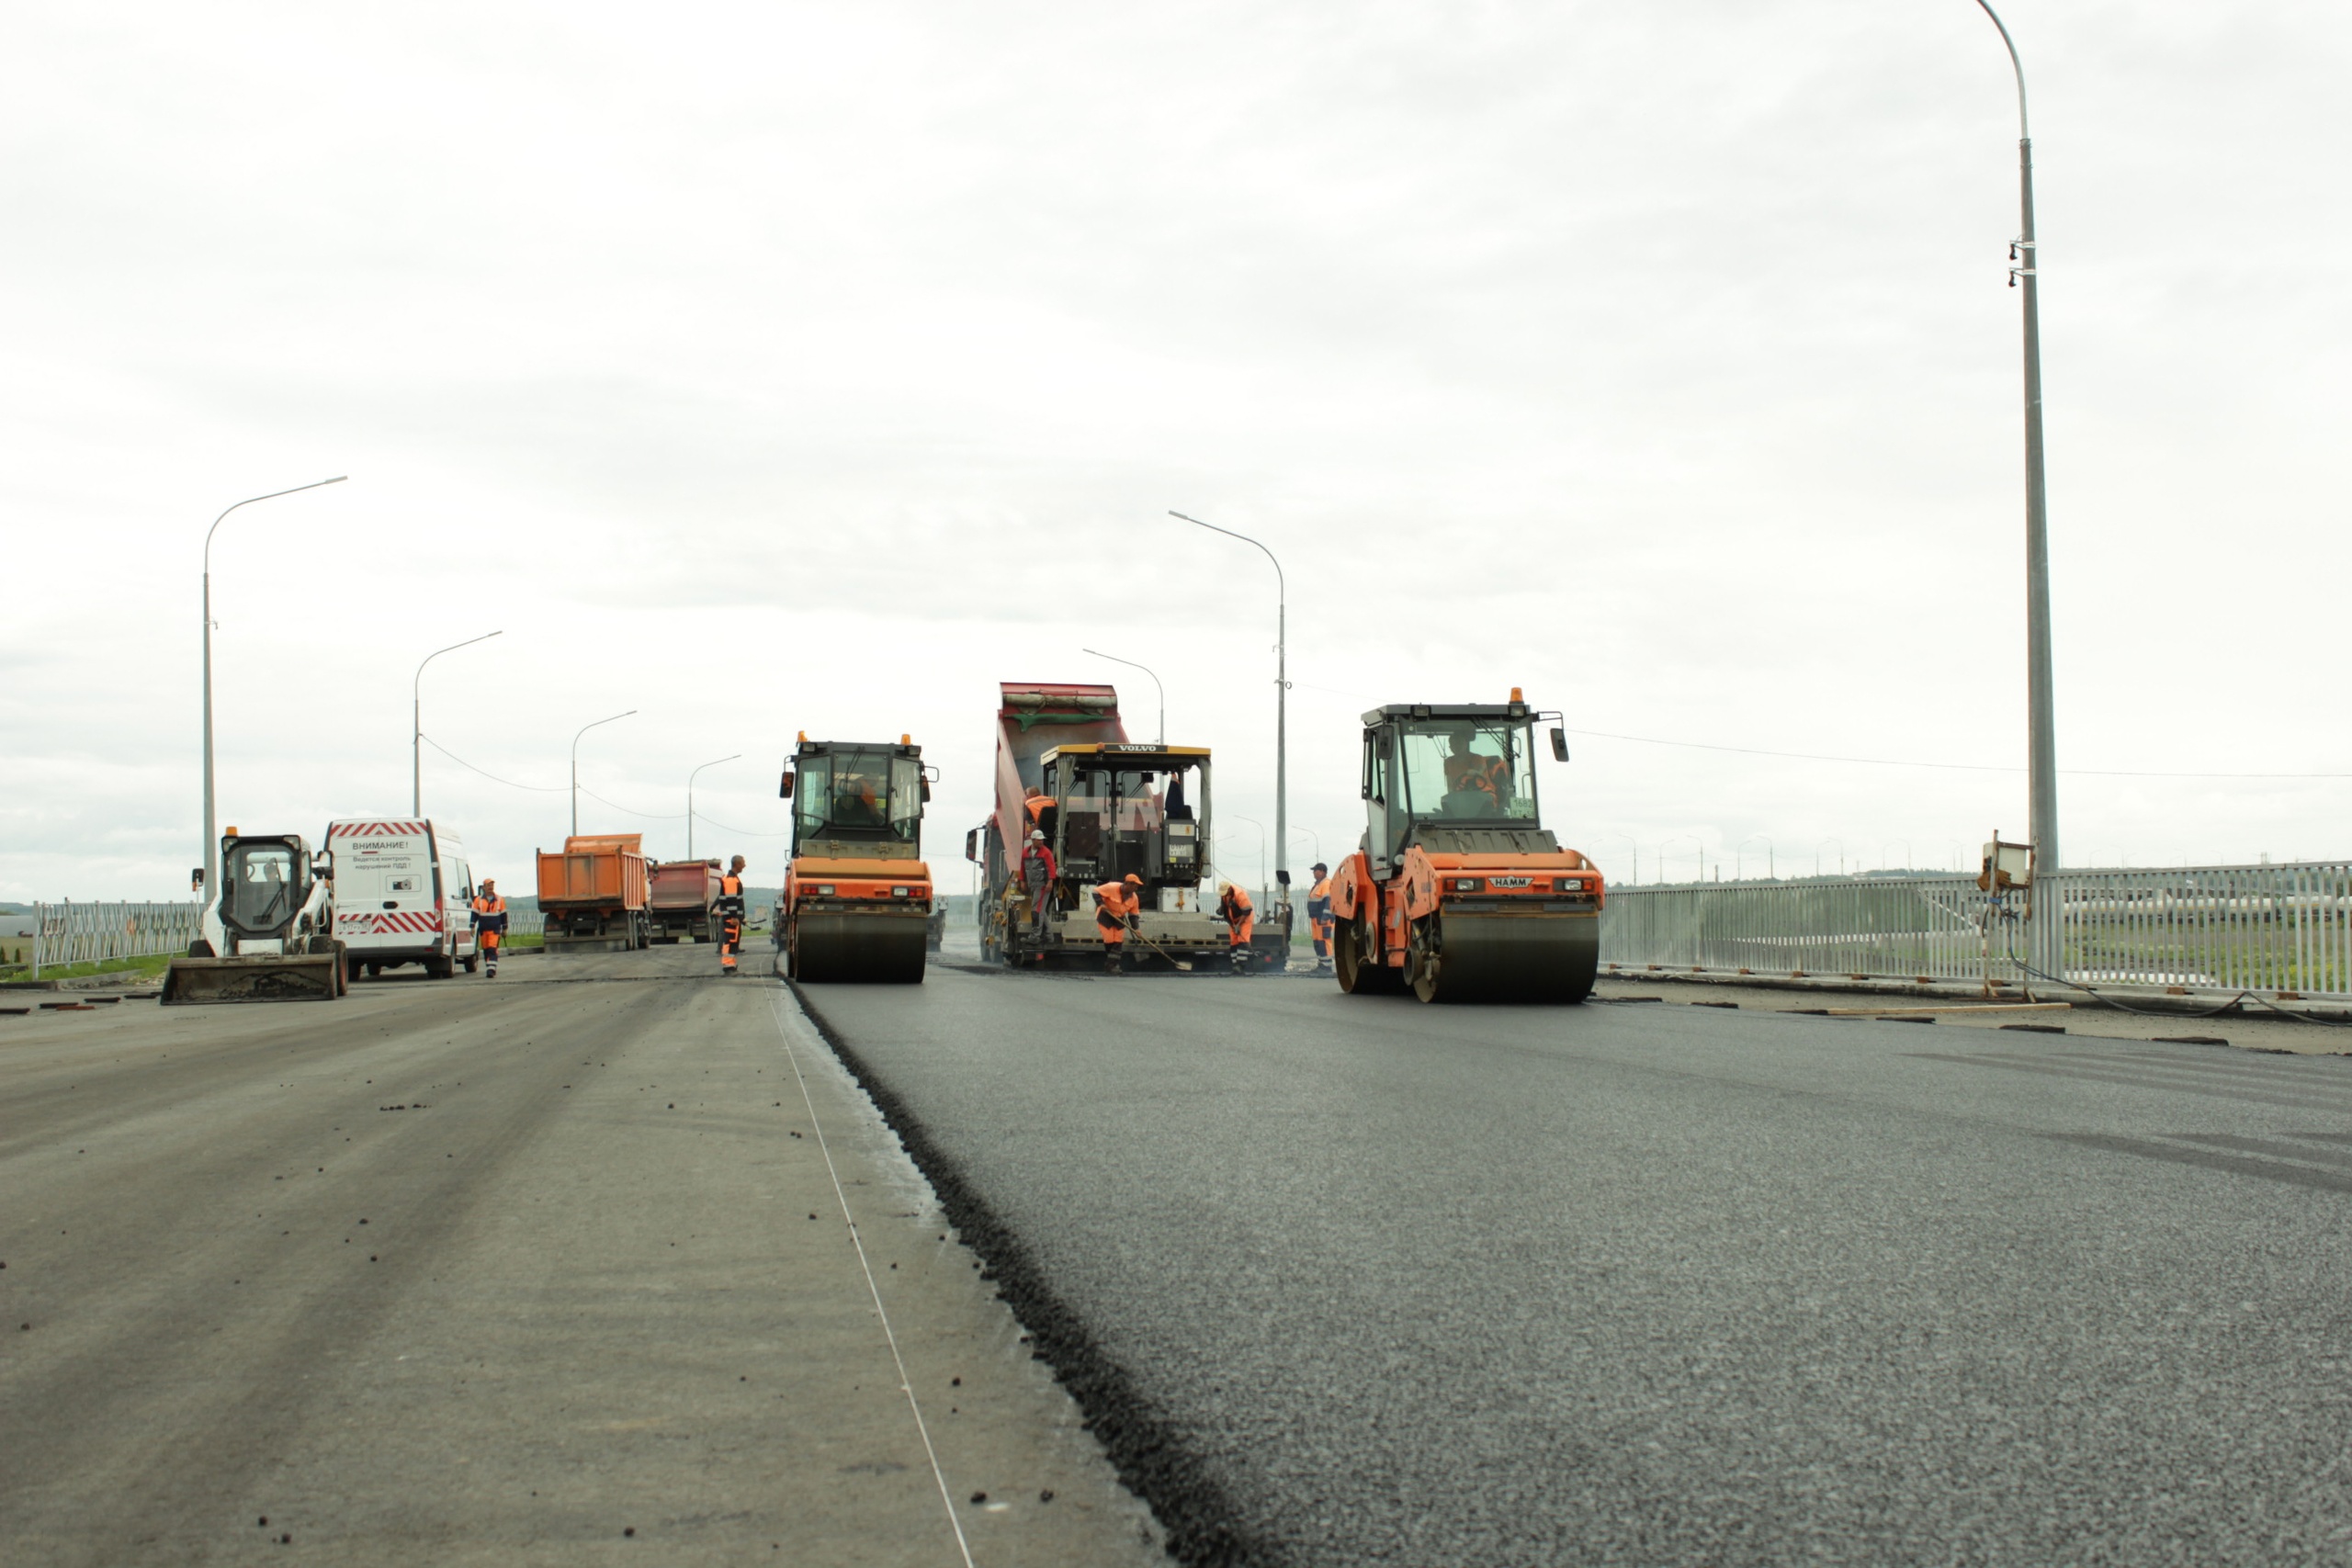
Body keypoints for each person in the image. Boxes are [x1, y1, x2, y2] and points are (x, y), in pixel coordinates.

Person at [1092, 873, 1141, 975]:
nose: (1136, 887)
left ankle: (1112, 965)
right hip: (1105, 916)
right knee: (1109, 939)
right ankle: (1113, 965)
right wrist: (1101, 904)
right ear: (1127, 884)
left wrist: (1136, 929)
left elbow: (1133, 915)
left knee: (1118, 940)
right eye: (1134, 885)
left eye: (1137, 885)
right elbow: (1095, 892)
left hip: (1119, 918)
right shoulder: (1111, 887)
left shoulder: (1134, 898)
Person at [1020, 829, 1057, 941]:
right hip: (1032, 885)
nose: (1041, 842)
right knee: (1041, 910)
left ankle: (1035, 936)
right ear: (1033, 840)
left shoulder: (1046, 852)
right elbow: (1022, 867)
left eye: (1042, 840)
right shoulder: (1025, 852)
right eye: (1039, 840)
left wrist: (1050, 881)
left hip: (1043, 886)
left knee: (1036, 910)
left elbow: (1051, 867)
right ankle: (1049, 936)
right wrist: (1022, 881)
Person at [469, 879, 508, 979]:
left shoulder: (500, 899)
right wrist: (472, 926)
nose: (491, 887)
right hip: (483, 930)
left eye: (492, 885)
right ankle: (490, 966)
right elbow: (474, 914)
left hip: (494, 930)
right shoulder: (478, 900)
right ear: (484, 887)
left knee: (492, 949)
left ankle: (491, 970)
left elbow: (504, 915)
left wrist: (505, 928)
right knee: (486, 950)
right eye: (488, 885)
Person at [716, 855, 748, 976]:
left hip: (733, 918)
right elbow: (732, 900)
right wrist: (734, 917)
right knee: (730, 942)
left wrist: (741, 918)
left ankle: (731, 966)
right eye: (743, 863)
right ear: (737, 864)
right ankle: (728, 967)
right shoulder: (731, 880)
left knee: (733, 942)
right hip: (731, 918)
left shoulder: (732, 878)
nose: (744, 865)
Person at [1217, 880, 1256, 975]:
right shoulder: (1225, 895)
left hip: (1245, 919)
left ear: (1229, 889)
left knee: (1243, 941)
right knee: (1234, 941)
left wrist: (1238, 925)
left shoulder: (1240, 894)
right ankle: (1235, 966)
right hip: (1233, 921)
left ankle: (1241, 966)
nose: (1224, 895)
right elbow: (1225, 907)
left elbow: (1247, 911)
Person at [1305, 862, 1333, 975]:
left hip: (1323, 919)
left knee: (1324, 941)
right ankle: (1321, 965)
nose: (1313, 873)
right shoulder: (1318, 884)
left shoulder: (1326, 883)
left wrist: (1325, 916)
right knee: (1318, 942)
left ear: (1322, 871)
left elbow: (1329, 901)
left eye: (1315, 871)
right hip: (1316, 919)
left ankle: (1326, 967)